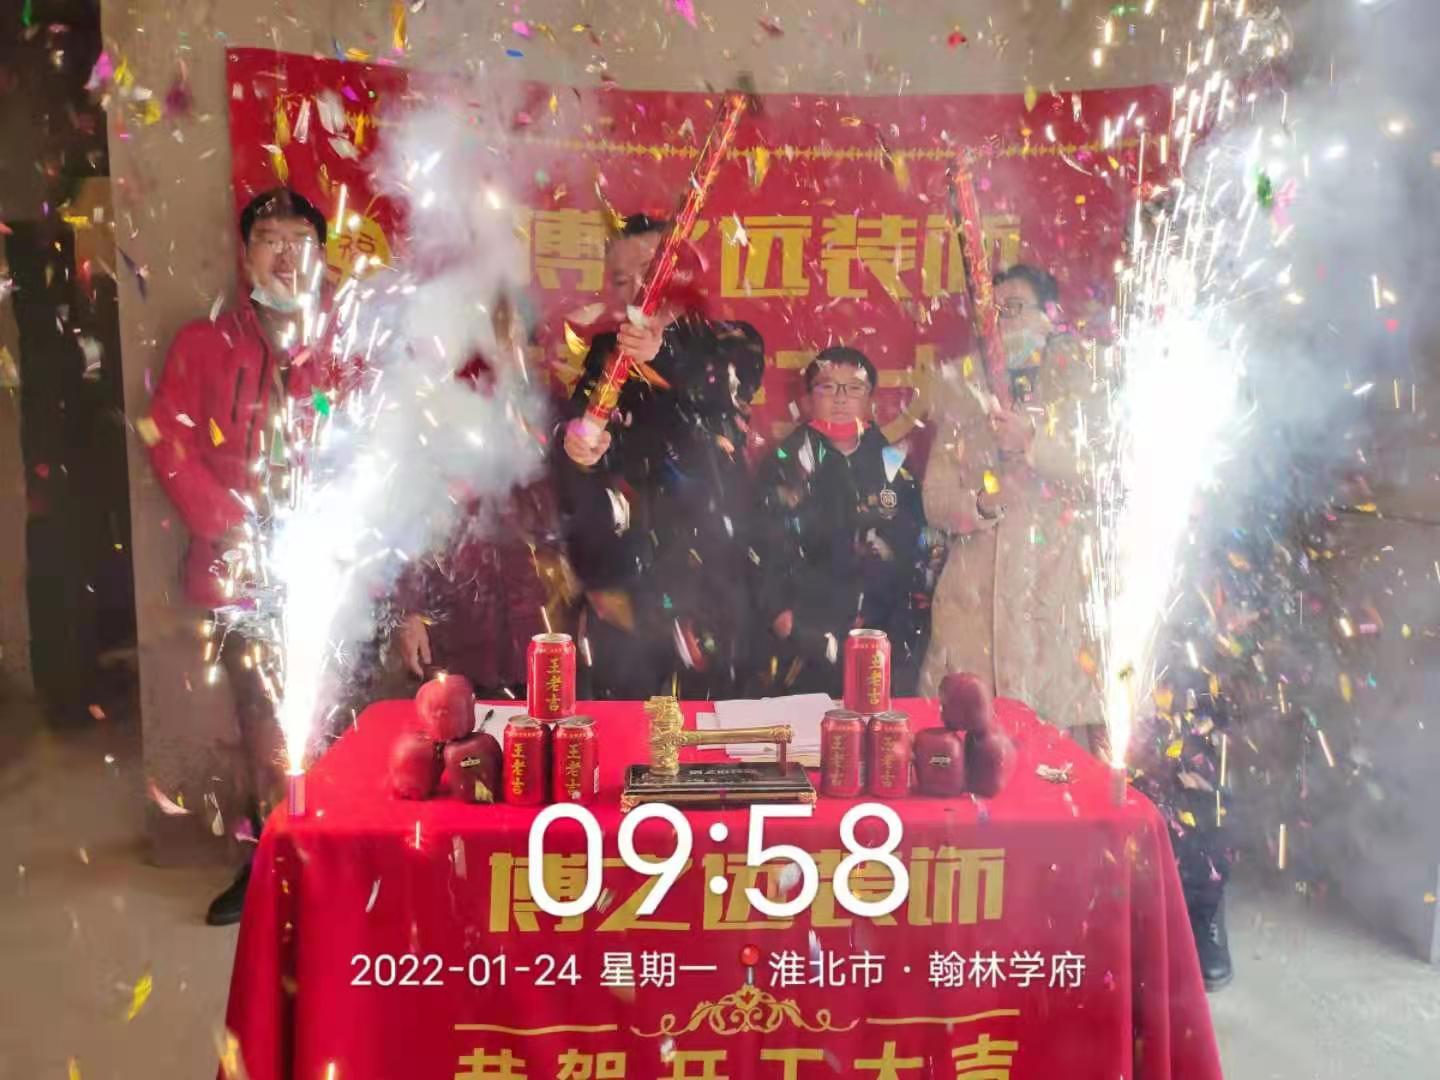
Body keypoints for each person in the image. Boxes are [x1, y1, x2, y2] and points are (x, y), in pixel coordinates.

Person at [144, 188, 339, 925]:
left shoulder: (344, 348)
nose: (286, 255)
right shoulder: (202, 344)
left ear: (322, 256)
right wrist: (233, 528)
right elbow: (167, 438)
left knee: (333, 716)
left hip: (330, 567)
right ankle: (268, 858)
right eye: (269, 238)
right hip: (241, 572)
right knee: (262, 720)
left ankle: (333, 859)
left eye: (301, 241)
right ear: (245, 254)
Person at [556, 214, 766, 699]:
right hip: (626, 574)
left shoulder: (730, 341)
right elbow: (581, 425)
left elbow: (722, 388)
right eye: (621, 279)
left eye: (648, 272)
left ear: (681, 272)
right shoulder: (607, 352)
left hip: (709, 569)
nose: (637, 289)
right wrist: (578, 444)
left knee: (710, 717)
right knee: (622, 716)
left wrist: (661, 350)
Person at [918, 264, 1102, 734]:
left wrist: (1033, 443)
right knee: (964, 749)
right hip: (974, 608)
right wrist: (981, 503)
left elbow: (1104, 476)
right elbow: (934, 499)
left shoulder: (1083, 391)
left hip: (1049, 601)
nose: (1000, 322)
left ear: (1049, 316)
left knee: (1052, 756)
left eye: (1014, 308)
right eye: (992, 312)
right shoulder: (964, 393)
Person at [752, 346, 927, 697]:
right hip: (804, 634)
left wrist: (889, 619)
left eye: (854, 388)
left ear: (870, 401)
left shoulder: (894, 467)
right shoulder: (784, 464)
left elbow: (911, 551)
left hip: (879, 635)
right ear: (808, 399)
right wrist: (779, 613)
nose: (841, 398)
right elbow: (761, 545)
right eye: (828, 387)